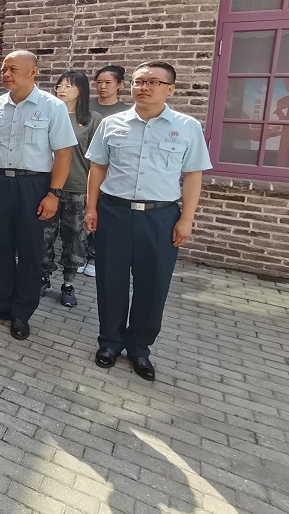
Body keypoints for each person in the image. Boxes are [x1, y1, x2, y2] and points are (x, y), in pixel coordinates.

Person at [85, 62, 211, 381]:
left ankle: (139, 347)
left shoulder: (187, 127)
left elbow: (193, 175)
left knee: (153, 285)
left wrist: (186, 219)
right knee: (110, 282)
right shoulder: (112, 124)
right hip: (114, 212)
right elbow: (98, 168)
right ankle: (110, 342)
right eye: (139, 81)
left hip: (160, 216)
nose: (144, 87)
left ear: (170, 89)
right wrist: (91, 208)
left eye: (153, 82)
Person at [0, 50, 76, 340]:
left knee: (30, 251)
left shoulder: (52, 107)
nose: (6, 74)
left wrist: (54, 193)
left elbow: (64, 153)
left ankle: (22, 312)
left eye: (13, 69)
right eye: (4, 69)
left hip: (34, 185)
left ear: (33, 72)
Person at [41, 71, 102, 307]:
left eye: (69, 86)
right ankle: (43, 277)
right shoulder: (47, 114)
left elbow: (97, 161)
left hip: (77, 187)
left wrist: (92, 195)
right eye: (60, 86)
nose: (62, 90)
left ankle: (68, 283)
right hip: (47, 187)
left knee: (75, 238)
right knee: (44, 235)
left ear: (81, 90)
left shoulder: (92, 119)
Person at [80, 64, 130, 276]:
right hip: (82, 169)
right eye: (99, 82)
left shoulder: (125, 113)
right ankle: (79, 256)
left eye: (108, 82)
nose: (102, 86)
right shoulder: (86, 107)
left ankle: (94, 256)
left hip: (109, 174)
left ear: (120, 85)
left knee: (99, 215)